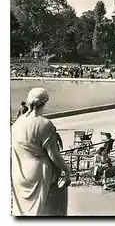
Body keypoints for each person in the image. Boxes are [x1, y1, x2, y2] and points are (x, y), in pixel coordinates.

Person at [11, 88, 71, 216]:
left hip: (20, 173)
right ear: (45, 102)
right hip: (39, 173)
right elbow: (54, 155)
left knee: (22, 211)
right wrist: (67, 171)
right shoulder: (45, 124)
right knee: (44, 211)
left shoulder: (17, 123)